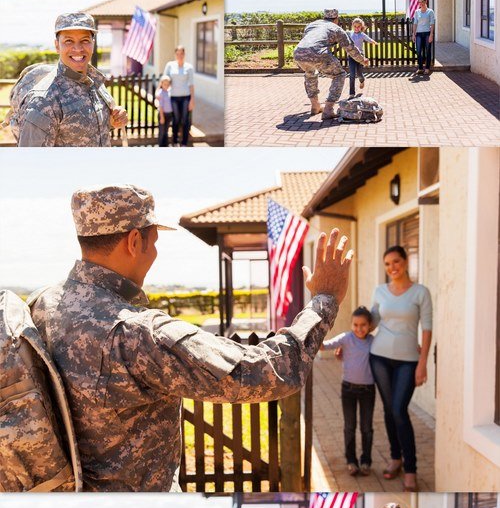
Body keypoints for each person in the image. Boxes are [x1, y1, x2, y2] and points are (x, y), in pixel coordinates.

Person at [28, 188, 353, 491]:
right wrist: (324, 299)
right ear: (133, 241)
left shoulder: (40, 303)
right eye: (153, 241)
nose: (154, 252)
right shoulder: (137, 333)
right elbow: (273, 372)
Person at [9, 11, 126, 147]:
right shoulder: (44, 100)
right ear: (57, 45)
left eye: (85, 40)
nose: (78, 48)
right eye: (69, 41)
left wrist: (112, 121)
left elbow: (88, 130)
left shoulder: (95, 82)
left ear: (92, 44)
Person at [369, 243, 433, 489]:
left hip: (409, 360)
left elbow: (427, 328)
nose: (392, 267)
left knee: (398, 410)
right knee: (388, 410)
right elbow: (370, 322)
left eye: (396, 261)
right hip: (379, 357)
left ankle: (411, 468)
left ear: (406, 262)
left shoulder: (420, 292)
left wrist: (423, 362)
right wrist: (350, 341)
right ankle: (395, 458)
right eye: (387, 264)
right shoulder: (379, 291)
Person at [324, 306, 375, 474]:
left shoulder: (373, 342)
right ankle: (351, 461)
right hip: (348, 390)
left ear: (370, 326)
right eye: (355, 325)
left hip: (368, 390)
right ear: (351, 324)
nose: (359, 329)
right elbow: (325, 346)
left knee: (366, 427)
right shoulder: (346, 338)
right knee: (350, 426)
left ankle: (366, 461)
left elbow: (392, 350)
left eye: (363, 325)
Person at [294, 9, 363, 120]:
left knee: (310, 73)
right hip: (317, 53)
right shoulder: (336, 28)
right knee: (339, 75)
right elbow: (350, 48)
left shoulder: (311, 25)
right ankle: (328, 110)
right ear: (336, 19)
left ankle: (315, 106)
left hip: (299, 52)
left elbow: (308, 39)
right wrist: (362, 60)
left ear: (324, 17)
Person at [164, 45, 194, 144]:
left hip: (186, 97)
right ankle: (175, 140)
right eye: (178, 54)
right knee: (176, 119)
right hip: (173, 97)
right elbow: (164, 80)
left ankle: (184, 142)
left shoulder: (189, 67)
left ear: (184, 54)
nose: (180, 55)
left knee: (185, 120)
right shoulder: (170, 65)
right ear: (175, 54)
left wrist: (192, 100)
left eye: (181, 53)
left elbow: (191, 84)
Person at [413, 0, 436, 74]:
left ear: (426, 2)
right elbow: (415, 23)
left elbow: (432, 23)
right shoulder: (417, 12)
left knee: (427, 51)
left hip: (427, 33)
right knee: (419, 51)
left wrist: (431, 35)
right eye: (419, 2)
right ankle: (420, 68)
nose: (421, 4)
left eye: (422, 2)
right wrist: (413, 34)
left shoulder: (430, 11)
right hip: (418, 34)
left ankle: (427, 68)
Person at [156, 70, 172, 146]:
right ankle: (161, 145)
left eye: (168, 84)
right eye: (164, 84)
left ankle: (165, 145)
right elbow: (160, 106)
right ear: (161, 84)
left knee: (166, 131)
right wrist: (162, 117)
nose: (166, 85)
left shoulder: (169, 91)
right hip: (162, 114)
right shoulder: (161, 93)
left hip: (169, 114)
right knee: (162, 131)